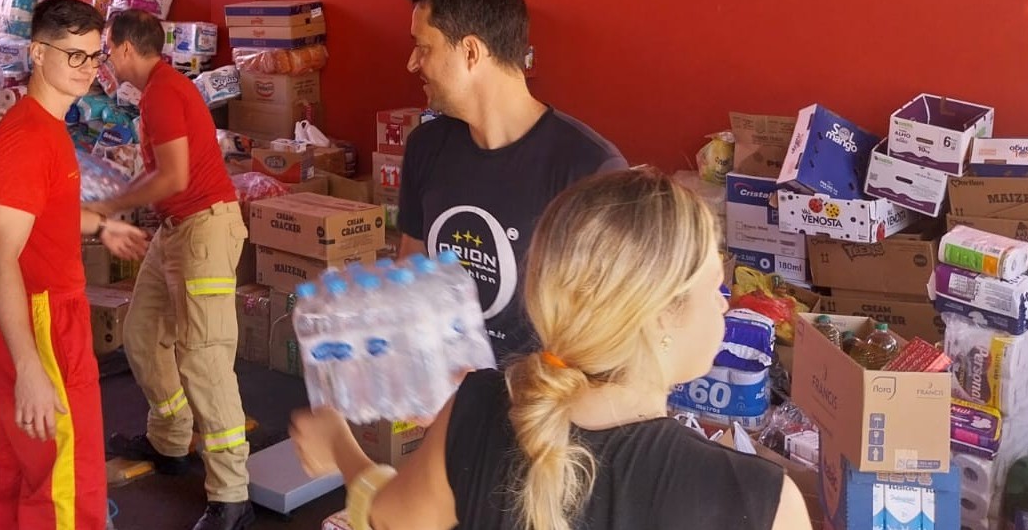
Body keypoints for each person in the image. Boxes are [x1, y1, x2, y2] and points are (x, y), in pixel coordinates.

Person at [292, 167, 813, 530]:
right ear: (656, 316)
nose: (724, 306)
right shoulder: (757, 500)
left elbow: (389, 517)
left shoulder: (476, 409)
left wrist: (339, 445)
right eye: (712, 286)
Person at [0, 0, 149, 530]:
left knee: (18, 465)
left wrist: (100, 224)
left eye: (93, 56)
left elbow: (42, 212)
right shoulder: (28, 140)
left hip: (37, 318)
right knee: (66, 482)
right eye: (71, 55)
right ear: (36, 53)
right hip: (42, 322)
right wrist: (30, 366)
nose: (86, 69)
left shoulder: (47, 128)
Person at [397, 0, 625, 362]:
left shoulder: (589, 169)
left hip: (543, 411)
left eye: (424, 47)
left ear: (470, 51)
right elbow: (412, 271)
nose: (413, 63)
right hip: (451, 404)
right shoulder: (425, 147)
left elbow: (612, 331)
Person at [86, 9, 253, 530]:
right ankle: (171, 437)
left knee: (203, 360)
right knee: (141, 333)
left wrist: (109, 207)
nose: (104, 60)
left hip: (201, 229)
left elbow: (175, 176)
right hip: (176, 229)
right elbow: (166, 175)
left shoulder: (162, 93)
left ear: (127, 49)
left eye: (107, 49)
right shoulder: (158, 93)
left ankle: (232, 497)